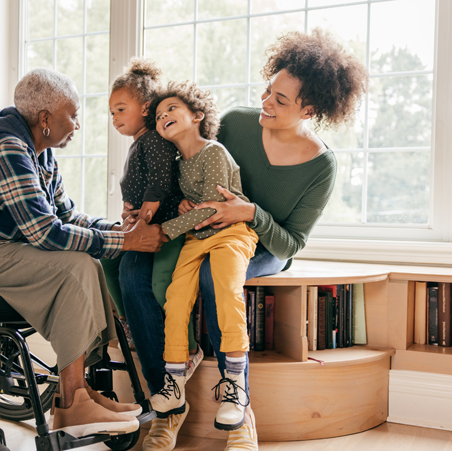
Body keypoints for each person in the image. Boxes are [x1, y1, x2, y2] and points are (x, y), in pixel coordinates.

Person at [121, 29, 368, 451]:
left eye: (281, 101)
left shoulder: (321, 166)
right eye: (268, 91)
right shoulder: (235, 123)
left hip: (261, 245)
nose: (266, 104)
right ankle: (168, 402)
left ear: (309, 110)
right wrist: (163, 205)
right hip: (201, 228)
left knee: (216, 281)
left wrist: (250, 212)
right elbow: (188, 164)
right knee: (132, 271)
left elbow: (291, 243)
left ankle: (240, 412)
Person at [0, 68, 168, 438]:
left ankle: (79, 395)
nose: (77, 125)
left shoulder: (40, 154)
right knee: (74, 265)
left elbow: (65, 216)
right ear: (45, 119)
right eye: (72, 115)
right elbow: (44, 232)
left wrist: (119, 230)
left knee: (86, 262)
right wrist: (127, 242)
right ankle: (73, 400)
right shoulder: (6, 146)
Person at [145, 81, 257, 435]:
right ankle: (174, 382)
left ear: (197, 115)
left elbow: (211, 209)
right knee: (176, 297)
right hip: (196, 238)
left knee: (226, 289)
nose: (164, 116)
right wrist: (180, 206)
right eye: (159, 115)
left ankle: (235, 385)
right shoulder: (178, 164)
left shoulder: (215, 152)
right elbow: (190, 205)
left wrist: (165, 230)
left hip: (230, 233)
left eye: (172, 109)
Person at [100, 57, 202, 364]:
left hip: (164, 224)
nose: (115, 118)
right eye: (111, 112)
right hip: (144, 222)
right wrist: (129, 210)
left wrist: (142, 217)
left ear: (145, 108)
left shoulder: (154, 141)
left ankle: (185, 345)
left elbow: (159, 182)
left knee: (156, 286)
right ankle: (129, 325)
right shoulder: (138, 143)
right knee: (107, 257)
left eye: (121, 109)